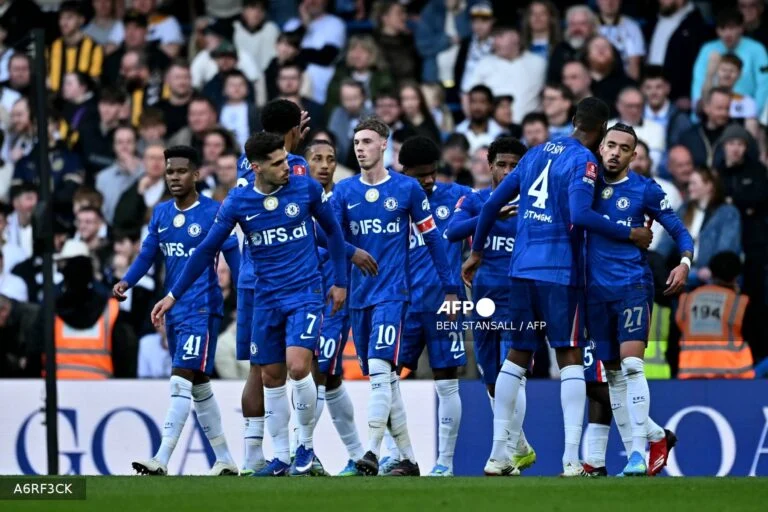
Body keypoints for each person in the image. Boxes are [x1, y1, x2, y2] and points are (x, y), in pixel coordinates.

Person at [462, 97, 654, 476]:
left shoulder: (532, 155)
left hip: (521, 270)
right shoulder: (582, 162)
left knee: (516, 357)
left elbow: (488, 207)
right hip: (559, 272)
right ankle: (570, 459)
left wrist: (477, 252)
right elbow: (582, 215)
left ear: (573, 120)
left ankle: (498, 454)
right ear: (600, 132)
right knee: (568, 357)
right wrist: (629, 232)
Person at [151, 133, 348, 477]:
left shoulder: (306, 190)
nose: (287, 167)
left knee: (298, 366)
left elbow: (332, 232)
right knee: (271, 377)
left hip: (304, 293)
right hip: (265, 299)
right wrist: (173, 295)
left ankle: (305, 445)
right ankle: (282, 456)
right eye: (277, 163)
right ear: (256, 168)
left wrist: (341, 282)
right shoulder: (238, 202)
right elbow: (205, 251)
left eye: (286, 159)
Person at [331, 117, 458, 476]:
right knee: (381, 379)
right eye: (357, 141)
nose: (360, 147)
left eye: (367, 141)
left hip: (393, 294)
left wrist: (450, 288)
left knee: (382, 369)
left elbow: (433, 238)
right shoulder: (344, 191)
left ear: (384, 145)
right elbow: (329, 239)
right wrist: (352, 251)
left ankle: (369, 453)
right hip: (360, 296)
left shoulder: (407, 190)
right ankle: (409, 458)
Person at [114, 146, 241, 476]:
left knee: (181, 378)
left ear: (196, 175)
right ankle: (225, 459)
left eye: (181, 171)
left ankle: (161, 458)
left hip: (203, 308)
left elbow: (234, 257)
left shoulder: (215, 211)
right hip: (174, 311)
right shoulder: (160, 214)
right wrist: (126, 281)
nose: (173, 177)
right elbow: (147, 256)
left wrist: (246, 299)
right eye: (169, 171)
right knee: (198, 384)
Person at [587, 123, 693, 476]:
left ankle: (635, 453)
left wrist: (684, 262)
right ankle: (656, 436)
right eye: (611, 145)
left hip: (632, 285)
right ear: (601, 147)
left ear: (634, 156)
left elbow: (679, 230)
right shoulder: (585, 184)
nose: (615, 152)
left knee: (631, 366)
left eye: (624, 148)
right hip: (593, 291)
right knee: (612, 375)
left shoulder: (645, 189)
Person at [445, 136, 536, 474]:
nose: (508, 171)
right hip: (482, 299)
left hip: (522, 298)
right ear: (489, 164)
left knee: (515, 372)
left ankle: (502, 453)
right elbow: (452, 232)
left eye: (515, 166)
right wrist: (493, 211)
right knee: (492, 378)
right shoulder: (476, 199)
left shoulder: (535, 206)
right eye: (502, 165)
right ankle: (520, 446)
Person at [394, 136, 471, 477]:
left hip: (445, 303)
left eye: (432, 173)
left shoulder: (455, 196)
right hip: (402, 303)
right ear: (403, 171)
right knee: (388, 378)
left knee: (447, 380)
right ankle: (395, 455)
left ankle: (445, 463)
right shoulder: (389, 200)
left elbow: (486, 212)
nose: (428, 179)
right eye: (420, 174)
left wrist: (478, 254)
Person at [305, 139, 366, 476]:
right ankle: (359, 455)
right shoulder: (298, 199)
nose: (325, 165)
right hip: (302, 295)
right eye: (317, 159)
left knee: (320, 370)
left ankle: (303, 450)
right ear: (306, 163)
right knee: (330, 378)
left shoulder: (343, 198)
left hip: (334, 299)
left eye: (330, 159)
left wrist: (351, 251)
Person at [675, 251, 756, 379]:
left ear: (711, 273)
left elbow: (676, 336)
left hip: (691, 377)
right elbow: (753, 337)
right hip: (733, 379)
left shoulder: (687, 299)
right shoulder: (739, 302)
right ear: (736, 276)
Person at [660, 167, 742, 289]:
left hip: (710, 276)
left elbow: (726, 248)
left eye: (694, 183)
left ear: (709, 186)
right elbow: (666, 240)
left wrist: (711, 270)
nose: (689, 188)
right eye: (689, 184)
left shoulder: (727, 213)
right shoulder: (684, 210)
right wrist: (655, 261)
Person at [455, 85, 504, 154]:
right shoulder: (458, 131)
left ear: (490, 105)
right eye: (473, 102)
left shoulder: (500, 134)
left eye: (482, 102)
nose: (477, 107)